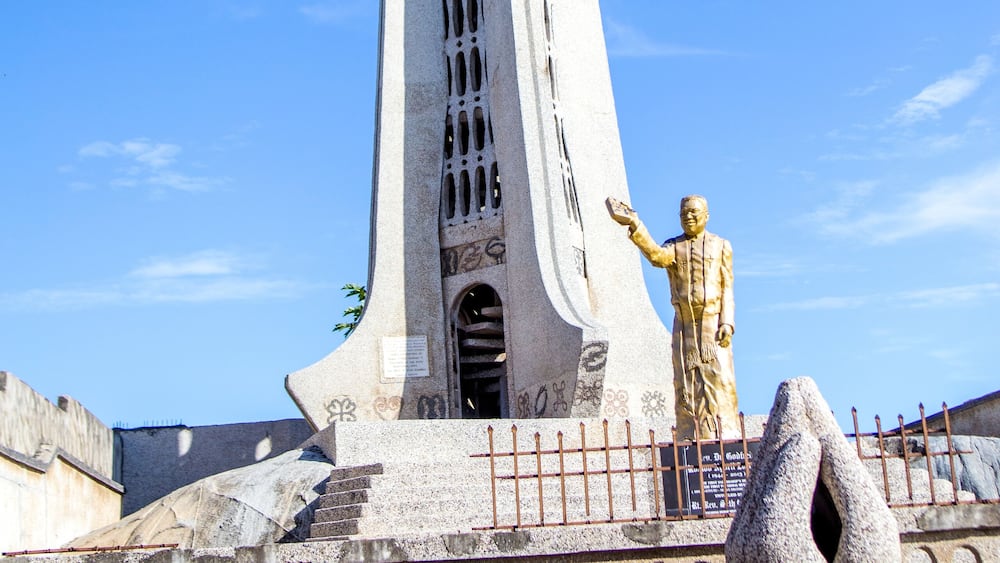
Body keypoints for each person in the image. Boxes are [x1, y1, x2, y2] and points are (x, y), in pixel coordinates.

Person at [609, 195, 738, 440]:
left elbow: (727, 288)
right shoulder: (675, 246)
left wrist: (727, 323)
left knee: (716, 379)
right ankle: (690, 436)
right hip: (684, 324)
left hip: (712, 322)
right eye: (683, 214)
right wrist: (635, 223)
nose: (688, 217)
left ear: (706, 216)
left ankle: (723, 435)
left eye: (693, 212)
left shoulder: (721, 246)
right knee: (686, 383)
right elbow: (657, 255)